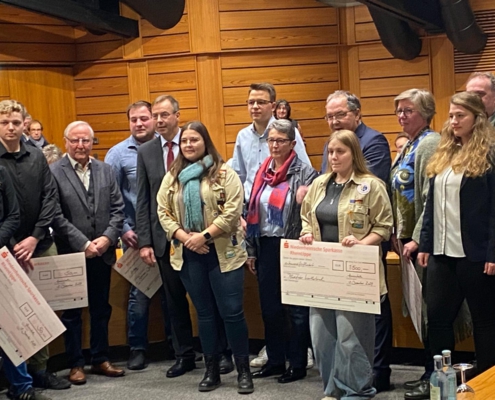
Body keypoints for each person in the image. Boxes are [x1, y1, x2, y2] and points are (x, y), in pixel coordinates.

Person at [136, 95, 233, 377]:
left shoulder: (196, 144)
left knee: (211, 300)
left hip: (206, 239)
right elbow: (144, 200)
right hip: (166, 241)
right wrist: (145, 242)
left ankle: (221, 353)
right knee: (174, 302)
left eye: (164, 114)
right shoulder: (146, 152)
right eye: (155, 115)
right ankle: (184, 355)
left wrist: (201, 235)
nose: (159, 120)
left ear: (177, 116)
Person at [157, 121, 253, 394]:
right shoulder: (172, 177)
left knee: (232, 313)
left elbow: (232, 211)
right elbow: (163, 211)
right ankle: (211, 371)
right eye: (185, 141)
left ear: (205, 142)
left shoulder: (224, 173)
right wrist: (186, 238)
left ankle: (243, 371)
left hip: (224, 253)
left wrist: (203, 236)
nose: (189, 145)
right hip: (189, 255)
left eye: (194, 140)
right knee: (205, 315)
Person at [300, 129, 393, 399]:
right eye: (330, 152)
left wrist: (363, 243)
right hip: (322, 272)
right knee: (322, 337)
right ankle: (332, 390)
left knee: (351, 337)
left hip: (354, 271)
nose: (334, 157)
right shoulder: (320, 184)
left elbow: (384, 226)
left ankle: (357, 392)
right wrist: (307, 233)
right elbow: (306, 217)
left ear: (354, 154)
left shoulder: (371, 185)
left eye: (340, 151)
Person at [318, 90, 392, 392]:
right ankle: (334, 387)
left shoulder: (373, 143)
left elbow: (379, 217)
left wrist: (363, 243)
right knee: (325, 332)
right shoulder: (322, 178)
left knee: (358, 328)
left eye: (340, 114)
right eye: (330, 116)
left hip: (359, 254)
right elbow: (311, 212)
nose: (334, 121)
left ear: (357, 113)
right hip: (326, 260)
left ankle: (368, 380)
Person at [418, 91, 495, 376]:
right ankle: (442, 379)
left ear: (477, 118)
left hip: (475, 253)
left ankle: (488, 380)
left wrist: (493, 252)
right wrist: (425, 243)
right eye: (451, 116)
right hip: (441, 252)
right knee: (437, 318)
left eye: (460, 116)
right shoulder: (444, 154)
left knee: (484, 321)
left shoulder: (489, 155)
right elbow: (431, 205)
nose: (453, 121)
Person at [0, 100, 70, 392]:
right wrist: (15, 244)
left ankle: (41, 369)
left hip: (40, 242)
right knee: (12, 315)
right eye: (4, 122)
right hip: (6, 249)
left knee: (46, 310)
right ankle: (18, 377)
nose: (11, 127)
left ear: (24, 124)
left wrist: (35, 237)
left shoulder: (37, 156)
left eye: (16, 122)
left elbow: (50, 197)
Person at [51, 121, 125, 385]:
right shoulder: (53, 172)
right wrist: (84, 244)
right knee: (72, 313)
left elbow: (118, 209)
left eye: (85, 140)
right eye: (75, 140)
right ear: (65, 142)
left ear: (92, 143)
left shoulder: (106, 170)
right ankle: (75, 363)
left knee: (100, 308)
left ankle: (100, 358)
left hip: (102, 252)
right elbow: (55, 215)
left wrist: (107, 238)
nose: (80, 145)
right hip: (71, 254)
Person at [245, 119, 318, 383]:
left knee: (296, 310)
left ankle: (297, 364)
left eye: (280, 141)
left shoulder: (306, 174)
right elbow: (251, 210)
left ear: (292, 143)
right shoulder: (262, 171)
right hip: (265, 245)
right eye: (271, 140)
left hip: (293, 245)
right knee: (270, 307)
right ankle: (275, 361)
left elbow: (310, 212)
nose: (274, 145)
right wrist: (251, 250)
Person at [105, 100, 173, 371]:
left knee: (172, 291)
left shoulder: (167, 148)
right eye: (134, 119)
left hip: (169, 233)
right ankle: (137, 348)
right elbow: (110, 198)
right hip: (135, 236)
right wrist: (124, 230)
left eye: (144, 118)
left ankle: (176, 345)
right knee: (140, 295)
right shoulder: (117, 154)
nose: (139, 123)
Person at [390, 89, 442, 400]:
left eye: (408, 110)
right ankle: (428, 372)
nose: (401, 116)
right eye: (399, 110)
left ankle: (435, 376)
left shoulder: (430, 143)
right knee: (420, 309)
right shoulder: (409, 144)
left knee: (432, 312)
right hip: (406, 241)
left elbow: (430, 196)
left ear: (425, 112)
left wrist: (418, 238)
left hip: (424, 244)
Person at [232, 83, 311, 203]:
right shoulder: (242, 136)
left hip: (282, 206)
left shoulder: (289, 131)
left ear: (273, 106)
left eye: (261, 102)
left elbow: (306, 172)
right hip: (251, 207)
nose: (255, 106)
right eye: (251, 102)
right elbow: (238, 177)